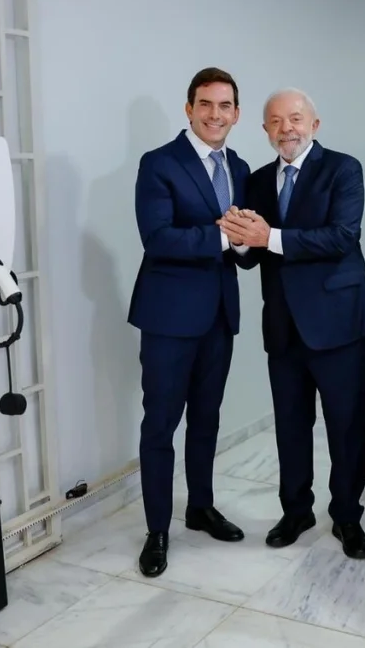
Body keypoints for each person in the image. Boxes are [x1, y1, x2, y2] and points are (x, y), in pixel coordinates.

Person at [218, 88, 365, 559]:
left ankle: (347, 516)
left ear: (314, 124)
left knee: (345, 425)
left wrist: (267, 237)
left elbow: (341, 236)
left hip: (340, 322)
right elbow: (250, 256)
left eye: (294, 118)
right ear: (265, 130)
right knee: (290, 425)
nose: (286, 128)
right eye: (275, 121)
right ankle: (296, 511)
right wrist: (240, 239)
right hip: (284, 324)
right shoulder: (257, 181)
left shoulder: (343, 169)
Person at [127, 67, 250, 578]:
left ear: (236, 114)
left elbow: (244, 248)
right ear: (189, 109)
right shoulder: (159, 163)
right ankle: (158, 529)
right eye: (205, 104)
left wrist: (244, 242)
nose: (214, 114)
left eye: (224, 106)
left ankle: (200, 506)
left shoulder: (239, 167)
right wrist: (223, 236)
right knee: (160, 424)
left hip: (219, 315)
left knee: (207, 419)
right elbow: (157, 238)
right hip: (169, 317)